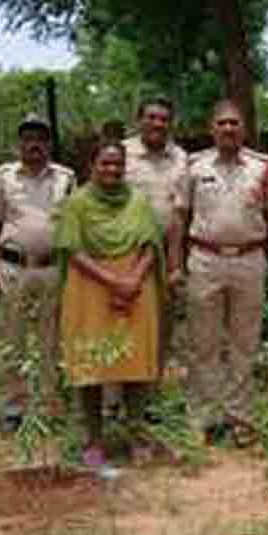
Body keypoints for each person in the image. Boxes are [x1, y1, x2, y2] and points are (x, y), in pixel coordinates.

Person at [169, 100, 268, 445]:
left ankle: (239, 417)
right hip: (205, 260)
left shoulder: (262, 166)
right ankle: (204, 417)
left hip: (249, 260)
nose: (229, 129)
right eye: (222, 123)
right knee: (202, 343)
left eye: (235, 123)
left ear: (244, 129)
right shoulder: (194, 165)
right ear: (212, 128)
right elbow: (179, 216)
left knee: (244, 343)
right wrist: (175, 265)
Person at [54, 142, 166, 467]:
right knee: (91, 363)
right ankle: (93, 438)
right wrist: (113, 281)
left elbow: (150, 245)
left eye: (118, 164)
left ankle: (136, 434)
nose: (112, 170)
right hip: (90, 287)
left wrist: (132, 280)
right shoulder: (76, 203)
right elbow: (72, 250)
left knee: (135, 362)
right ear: (93, 165)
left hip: (136, 287)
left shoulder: (138, 201)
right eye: (105, 163)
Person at [0, 114, 77, 429]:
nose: (34, 143)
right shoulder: (4, 177)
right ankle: (14, 407)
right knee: (12, 337)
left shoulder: (65, 178)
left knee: (52, 339)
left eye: (40, 137)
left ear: (49, 143)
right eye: (28, 137)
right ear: (19, 142)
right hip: (13, 267)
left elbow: (75, 222)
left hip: (53, 268)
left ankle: (51, 404)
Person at [120, 97, 187, 399]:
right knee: (123, 322)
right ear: (139, 120)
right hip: (126, 253)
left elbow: (179, 214)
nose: (158, 124)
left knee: (161, 327)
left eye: (164, 119)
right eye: (152, 117)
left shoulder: (182, 158)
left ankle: (150, 396)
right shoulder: (122, 154)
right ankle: (115, 397)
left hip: (165, 255)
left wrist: (175, 265)